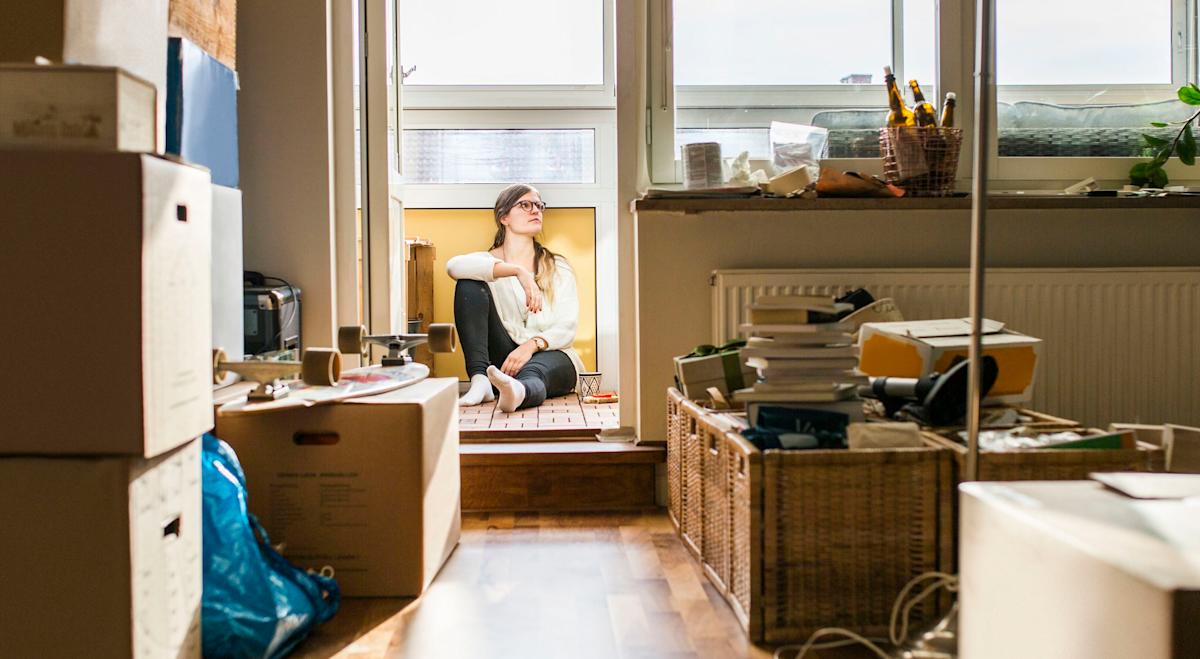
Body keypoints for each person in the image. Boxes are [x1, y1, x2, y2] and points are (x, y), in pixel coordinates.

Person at [446, 183, 583, 412]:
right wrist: (518, 272)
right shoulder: (486, 263)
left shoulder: (557, 267)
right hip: (502, 361)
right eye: (525, 205)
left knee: (535, 372)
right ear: (504, 217)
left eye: (539, 205)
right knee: (468, 284)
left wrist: (530, 346)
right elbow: (453, 267)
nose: (535, 210)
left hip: (550, 355)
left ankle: (518, 391)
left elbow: (567, 327)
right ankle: (480, 380)